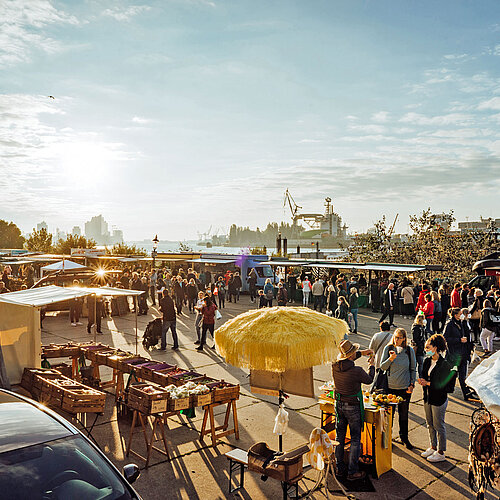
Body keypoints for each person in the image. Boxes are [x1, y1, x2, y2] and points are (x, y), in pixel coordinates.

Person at [331, 340, 375, 481]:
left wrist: (363, 353)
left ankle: (338, 468)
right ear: (350, 355)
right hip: (352, 407)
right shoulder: (357, 371)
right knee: (355, 438)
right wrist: (372, 365)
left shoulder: (335, 366)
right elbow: (369, 380)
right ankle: (352, 471)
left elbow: (348, 359)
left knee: (340, 437)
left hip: (339, 404)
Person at [418, 334, 455, 463]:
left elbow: (447, 386)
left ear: (435, 347)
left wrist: (429, 383)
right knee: (430, 424)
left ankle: (441, 452)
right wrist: (422, 380)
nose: (425, 349)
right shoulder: (427, 360)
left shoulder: (444, 364)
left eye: (428, 347)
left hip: (439, 398)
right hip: (428, 396)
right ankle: (433, 447)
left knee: (439, 425)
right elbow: (424, 373)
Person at [380, 328, 417, 449]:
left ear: (404, 339)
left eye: (399, 338)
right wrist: (391, 359)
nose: (397, 340)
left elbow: (413, 368)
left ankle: (404, 437)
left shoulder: (409, 351)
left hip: (404, 388)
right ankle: (387, 437)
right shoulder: (388, 349)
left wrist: (411, 384)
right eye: (395, 337)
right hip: (390, 388)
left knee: (404, 414)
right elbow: (382, 367)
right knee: (389, 415)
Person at [443, 307, 474, 400]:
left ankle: (466, 394)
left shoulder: (462, 323)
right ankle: (447, 389)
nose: (462, 315)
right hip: (454, 354)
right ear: (455, 315)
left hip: (463, 353)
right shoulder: (450, 324)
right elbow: (445, 338)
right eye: (460, 314)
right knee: (453, 373)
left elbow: (467, 334)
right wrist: (458, 340)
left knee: (462, 375)